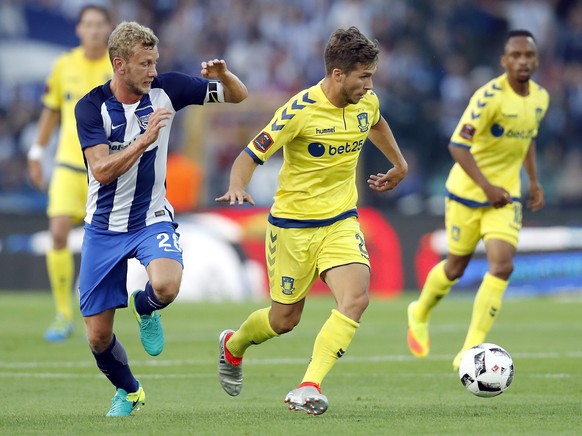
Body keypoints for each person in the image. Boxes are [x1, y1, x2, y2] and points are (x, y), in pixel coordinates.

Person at [215, 26, 408, 416]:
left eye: (371, 76)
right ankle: (233, 345)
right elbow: (250, 155)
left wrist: (399, 165)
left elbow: (376, 122)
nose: (370, 85)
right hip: (292, 228)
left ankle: (309, 384)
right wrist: (237, 186)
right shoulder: (298, 111)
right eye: (364, 76)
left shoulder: (366, 102)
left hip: (340, 220)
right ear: (338, 74)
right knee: (284, 320)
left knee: (356, 298)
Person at [74, 21, 247, 417]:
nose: (153, 71)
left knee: (167, 286)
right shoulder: (91, 107)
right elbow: (100, 171)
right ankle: (130, 391)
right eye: (144, 63)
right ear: (119, 65)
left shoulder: (168, 89)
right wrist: (142, 141)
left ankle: (145, 306)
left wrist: (225, 77)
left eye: (155, 62)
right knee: (98, 337)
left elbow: (239, 96)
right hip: (103, 227)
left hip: (151, 217)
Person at [406, 29, 549, 371]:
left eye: (528, 55)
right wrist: (486, 187)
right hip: (468, 194)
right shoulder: (489, 98)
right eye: (515, 56)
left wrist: (533, 179)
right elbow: (458, 145)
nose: (522, 61)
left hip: (506, 196)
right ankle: (420, 310)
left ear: (536, 60)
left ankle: (470, 349)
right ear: (504, 60)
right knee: (455, 267)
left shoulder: (541, 98)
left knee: (502, 265)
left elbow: (527, 138)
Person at [27, 5, 113, 342]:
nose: (92, 30)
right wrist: (36, 152)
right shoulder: (64, 65)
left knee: (109, 242)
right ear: (78, 30)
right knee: (58, 232)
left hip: (107, 168)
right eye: (87, 25)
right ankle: (63, 314)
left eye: (98, 24)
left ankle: (108, 309)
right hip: (67, 164)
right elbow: (50, 112)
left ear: (108, 29)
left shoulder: (117, 66)